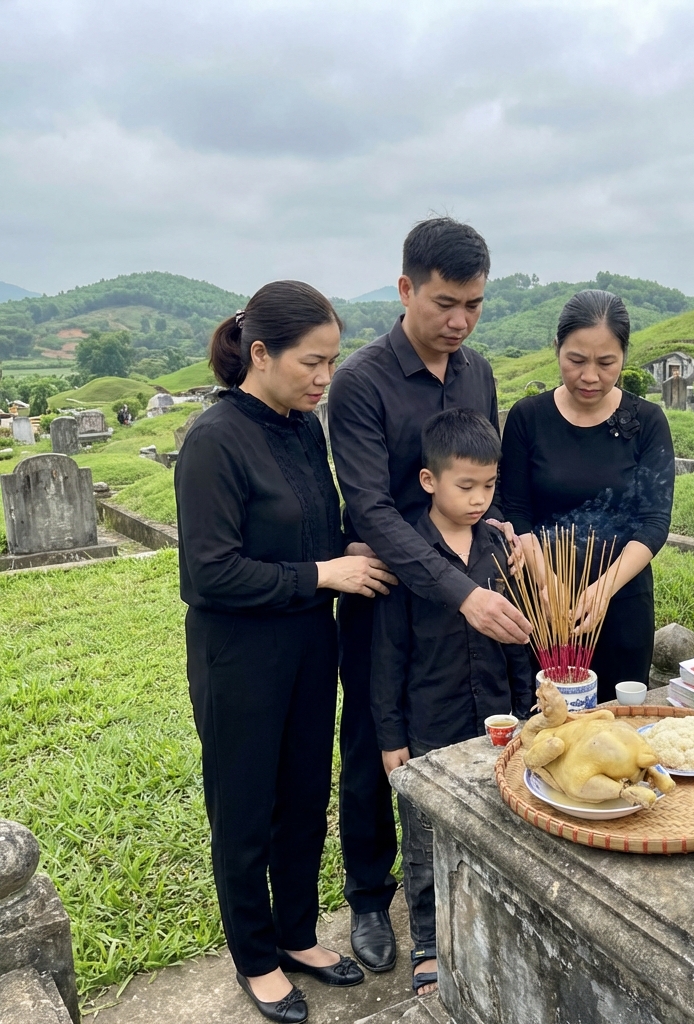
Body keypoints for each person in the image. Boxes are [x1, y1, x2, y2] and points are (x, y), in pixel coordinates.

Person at [176, 281, 397, 1024]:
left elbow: (316, 528)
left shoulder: (304, 428)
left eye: (331, 363)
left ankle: (297, 933)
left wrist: (352, 550)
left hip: (309, 643)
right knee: (245, 806)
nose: (323, 380)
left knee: (305, 797)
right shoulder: (213, 440)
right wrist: (322, 574)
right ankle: (255, 956)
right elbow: (208, 573)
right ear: (260, 353)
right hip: (239, 657)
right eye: (311, 363)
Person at [328, 217, 531, 974]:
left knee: (474, 728)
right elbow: (372, 507)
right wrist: (458, 594)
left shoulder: (476, 370)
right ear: (405, 288)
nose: (459, 321)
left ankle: (461, 879)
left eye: (474, 305)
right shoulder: (360, 382)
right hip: (387, 592)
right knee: (377, 748)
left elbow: (481, 473)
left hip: (464, 582)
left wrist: (506, 531)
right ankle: (370, 900)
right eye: (445, 302)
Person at [370, 408, 534, 996]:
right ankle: (429, 941)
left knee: (496, 816)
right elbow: (386, 657)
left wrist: (528, 706)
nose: (478, 499)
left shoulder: (498, 546)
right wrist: (391, 736)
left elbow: (517, 637)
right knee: (423, 834)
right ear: (428, 480)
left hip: (495, 715)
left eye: (488, 486)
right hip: (428, 720)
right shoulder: (409, 552)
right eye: (466, 486)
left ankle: (491, 916)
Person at [500, 289, 675, 703]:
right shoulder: (528, 418)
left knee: (617, 732)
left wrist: (603, 589)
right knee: (545, 728)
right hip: (542, 604)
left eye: (606, 362)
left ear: (624, 357)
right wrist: (549, 583)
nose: (590, 376)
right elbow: (517, 512)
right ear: (557, 348)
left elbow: (654, 521)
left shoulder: (647, 422)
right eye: (576, 360)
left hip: (621, 604)